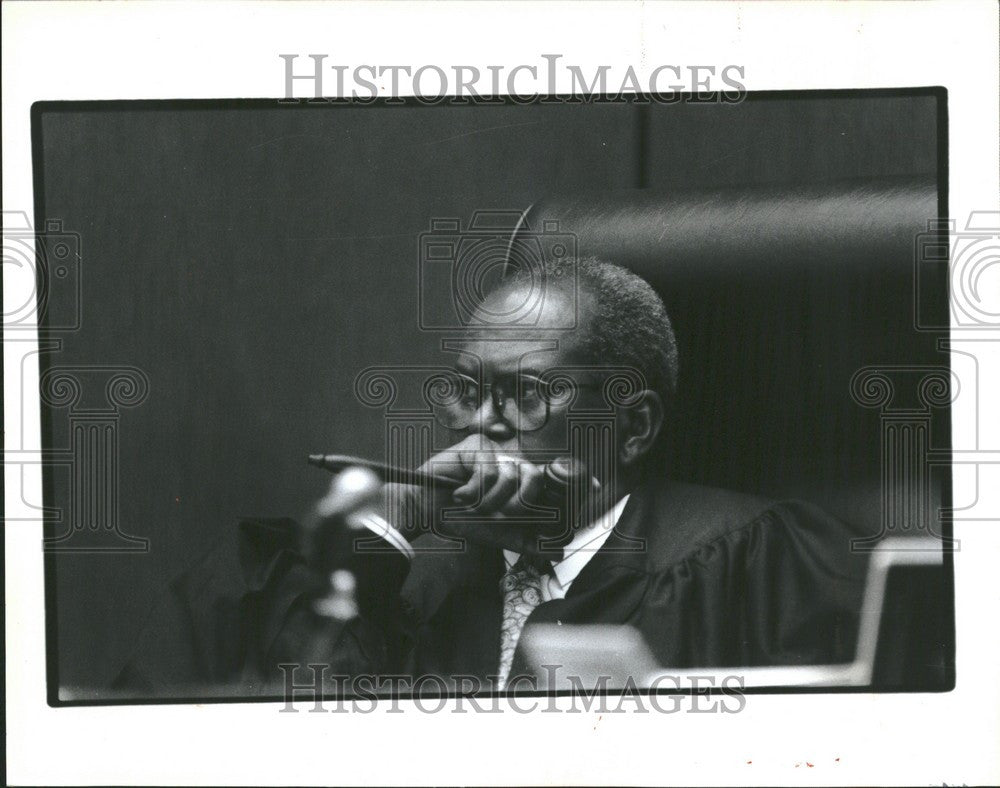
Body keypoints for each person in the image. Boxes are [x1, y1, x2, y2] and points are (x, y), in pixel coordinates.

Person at [115, 257, 868, 697]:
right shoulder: (409, 578)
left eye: (526, 395)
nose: (481, 424)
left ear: (632, 428)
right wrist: (395, 518)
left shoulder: (751, 561)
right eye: (467, 393)